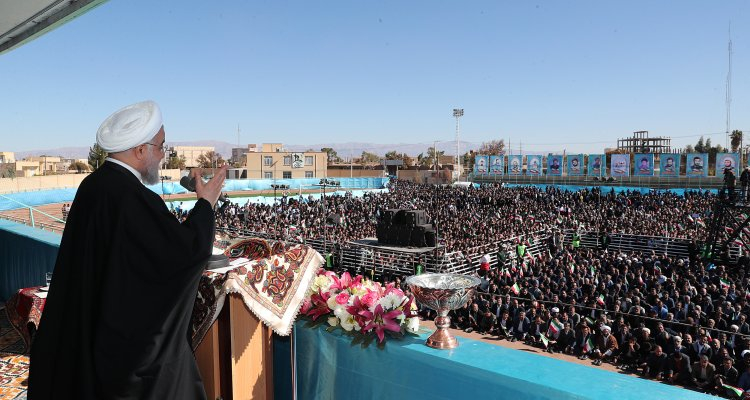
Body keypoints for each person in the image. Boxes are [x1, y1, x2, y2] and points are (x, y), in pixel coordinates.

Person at [29, 101, 228, 399]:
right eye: (161, 147)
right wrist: (205, 203)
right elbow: (184, 254)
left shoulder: (93, 185)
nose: (163, 156)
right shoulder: (132, 198)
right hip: (121, 357)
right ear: (140, 151)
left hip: (90, 335)